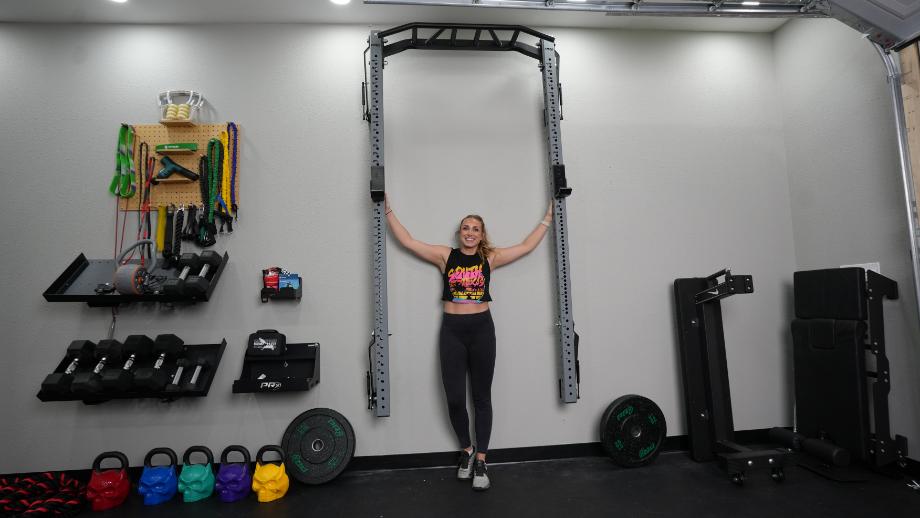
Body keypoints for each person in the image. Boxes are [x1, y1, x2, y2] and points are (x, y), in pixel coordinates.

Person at [384, 196, 553, 491]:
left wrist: (549, 217)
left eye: (476, 229)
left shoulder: (490, 258)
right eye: (466, 228)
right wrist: (386, 208)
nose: (470, 232)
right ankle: (466, 450)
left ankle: (482, 461)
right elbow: (408, 241)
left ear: (482, 235)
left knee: (481, 397)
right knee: (453, 397)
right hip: (452, 331)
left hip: (482, 330)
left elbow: (526, 247)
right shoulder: (445, 257)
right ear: (459, 233)